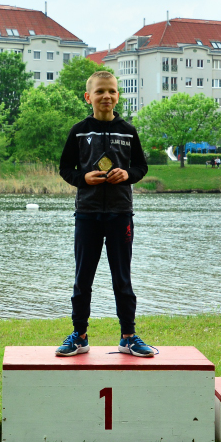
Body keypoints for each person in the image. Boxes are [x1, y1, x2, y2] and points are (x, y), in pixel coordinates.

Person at [56, 71, 152, 357]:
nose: (106, 96)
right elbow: (65, 169)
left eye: (111, 91)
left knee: (122, 278)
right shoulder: (79, 131)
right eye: (100, 91)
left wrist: (128, 174)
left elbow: (141, 167)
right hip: (87, 214)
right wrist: (83, 179)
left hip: (121, 214)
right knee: (82, 278)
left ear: (118, 96)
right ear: (89, 97)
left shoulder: (128, 131)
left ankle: (128, 337)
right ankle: (80, 336)